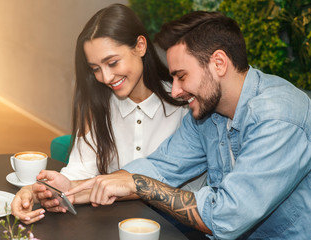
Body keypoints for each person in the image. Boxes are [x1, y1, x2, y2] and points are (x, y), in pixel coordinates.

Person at [67, 11, 311, 239]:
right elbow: (159, 167)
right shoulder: (207, 114)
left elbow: (225, 217)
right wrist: (69, 191)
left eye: (181, 76)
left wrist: (140, 184)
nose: (175, 90)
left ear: (218, 63)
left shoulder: (278, 117)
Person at [11, 4, 207, 224]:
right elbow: (80, 170)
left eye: (112, 62)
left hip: (179, 228)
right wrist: (37, 191)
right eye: (95, 68)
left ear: (140, 46)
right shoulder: (99, 105)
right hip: (112, 224)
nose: (105, 77)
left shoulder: (186, 103)